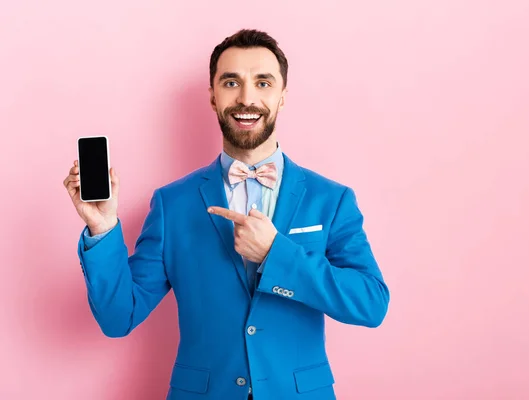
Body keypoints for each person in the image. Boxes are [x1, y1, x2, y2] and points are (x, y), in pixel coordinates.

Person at [63, 28, 390, 400]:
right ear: (213, 97)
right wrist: (102, 230)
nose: (247, 97)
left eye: (263, 83)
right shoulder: (172, 205)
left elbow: (371, 303)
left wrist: (275, 254)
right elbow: (119, 317)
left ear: (282, 97)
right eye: (231, 82)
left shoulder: (331, 200)